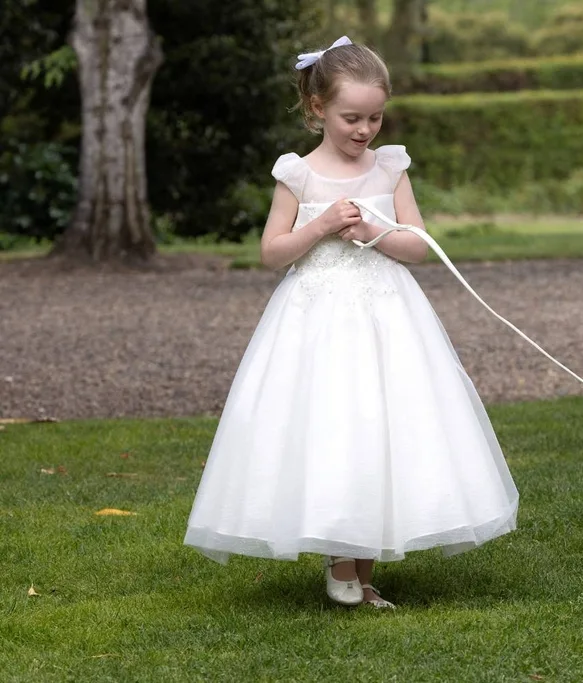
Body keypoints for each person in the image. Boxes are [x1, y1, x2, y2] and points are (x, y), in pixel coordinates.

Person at [183, 36, 519, 609]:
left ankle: (362, 570)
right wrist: (319, 228)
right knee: (335, 424)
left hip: (388, 315)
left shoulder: (391, 168)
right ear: (317, 109)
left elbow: (417, 245)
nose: (365, 130)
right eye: (351, 118)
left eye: (375, 117)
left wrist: (376, 231)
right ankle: (343, 562)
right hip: (318, 320)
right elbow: (272, 252)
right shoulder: (298, 175)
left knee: (384, 427)